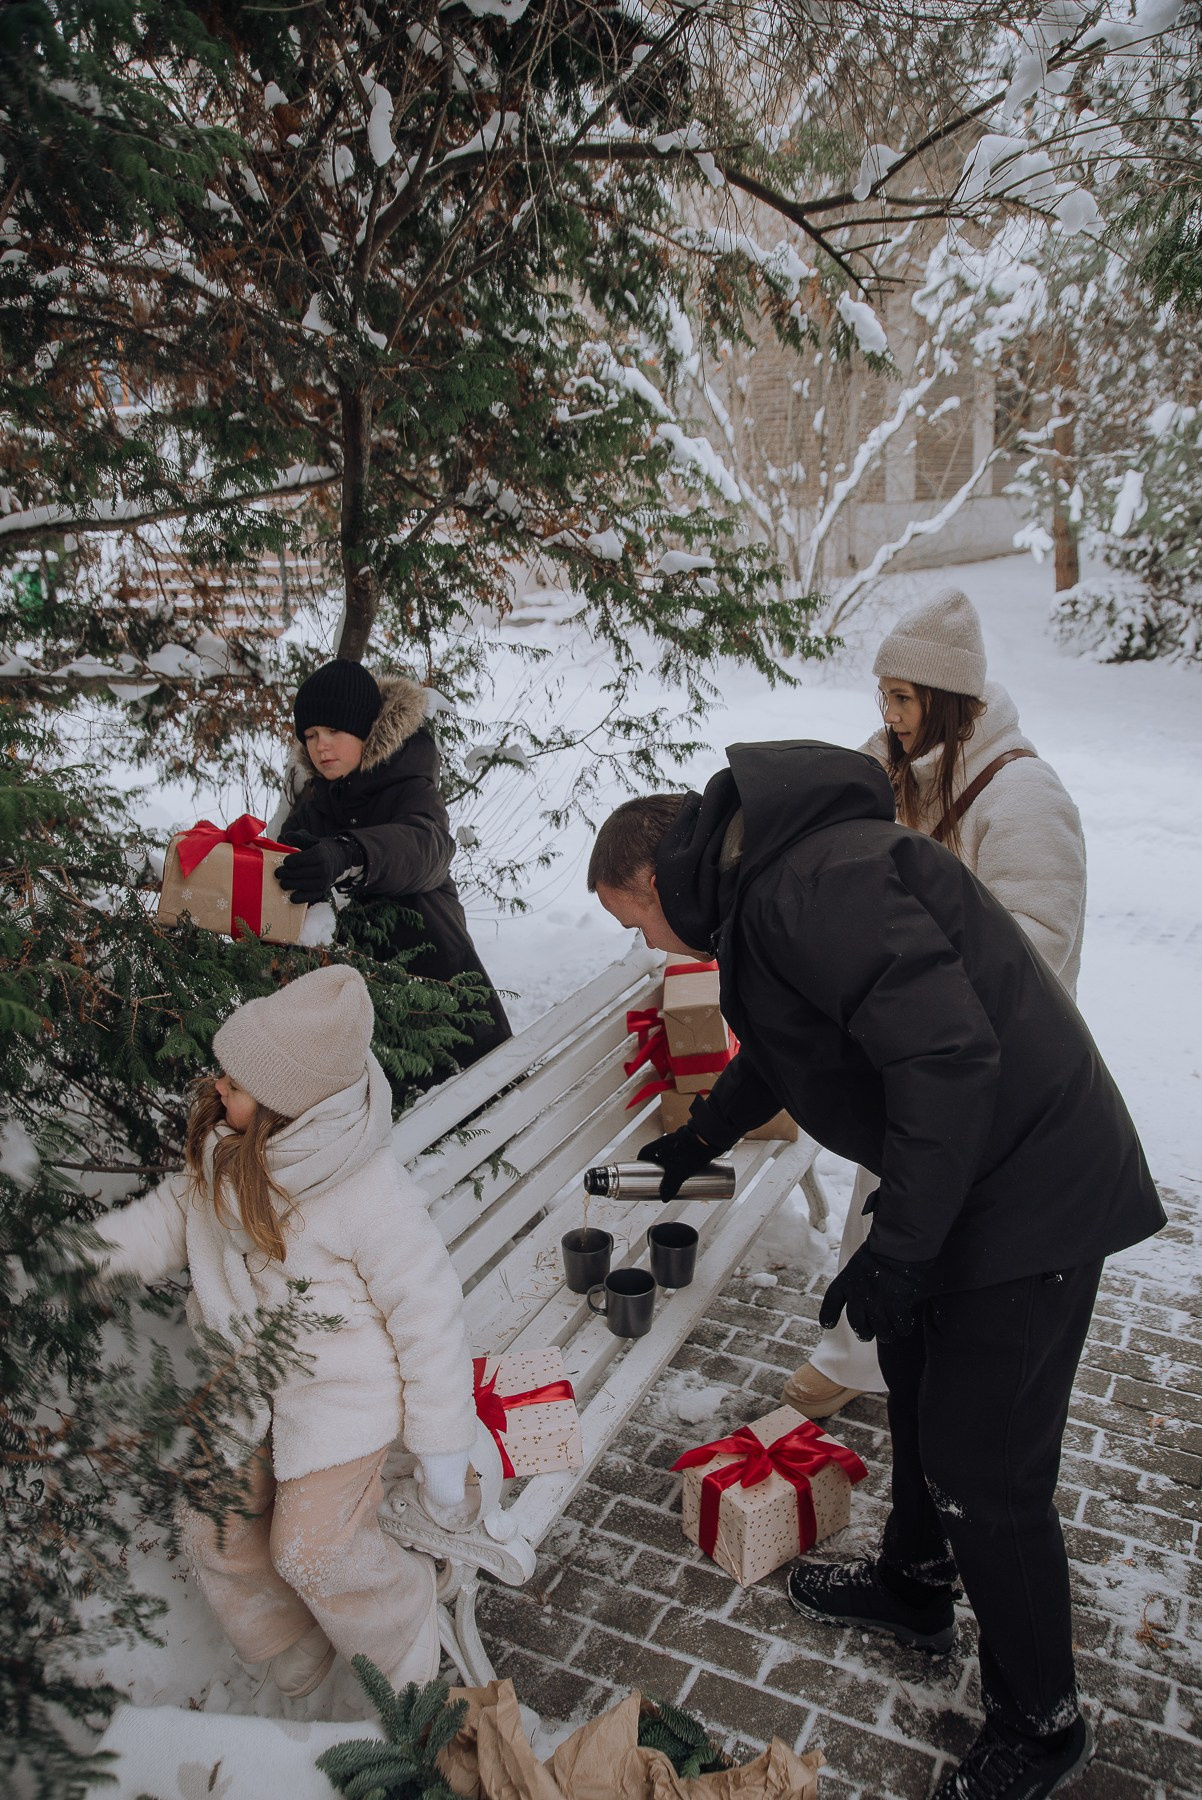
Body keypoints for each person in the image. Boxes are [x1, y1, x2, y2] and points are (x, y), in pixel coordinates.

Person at [587, 747, 1163, 1800]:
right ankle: (913, 1582)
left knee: (986, 1474)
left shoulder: (810, 886)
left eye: (632, 922)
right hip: (967, 1176)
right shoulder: (767, 890)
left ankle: (1040, 1724)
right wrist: (701, 1133)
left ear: (657, 879)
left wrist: (897, 1250)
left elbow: (945, 1059)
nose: (641, 944)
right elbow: (790, 1036)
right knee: (911, 1379)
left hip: (1029, 1191)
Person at [91, 965, 478, 1698]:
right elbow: (163, 1220)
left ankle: (403, 1641)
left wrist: (441, 1447)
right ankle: (289, 1638)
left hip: (341, 1398)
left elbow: (428, 1313)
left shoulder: (367, 1192)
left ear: (283, 1105)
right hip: (248, 1381)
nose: (215, 1089)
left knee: (314, 1550)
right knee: (211, 1521)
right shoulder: (225, 1156)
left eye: (233, 1083)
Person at [783, 586, 1088, 1423]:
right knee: (881, 1200)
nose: (888, 712)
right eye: (883, 694)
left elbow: (1036, 952)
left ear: (950, 699)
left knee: (949, 1228)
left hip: (994, 1068)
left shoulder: (1023, 796)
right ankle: (859, 1355)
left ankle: (931, 1375)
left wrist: (925, 1015)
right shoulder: (893, 766)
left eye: (905, 697)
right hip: (911, 1052)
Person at [273, 658, 511, 1078]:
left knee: (480, 1115)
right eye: (310, 735)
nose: (321, 746)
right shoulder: (316, 804)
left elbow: (428, 847)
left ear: (365, 729)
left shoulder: (409, 784)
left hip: (440, 989)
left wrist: (349, 854)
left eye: (334, 731)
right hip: (363, 1010)